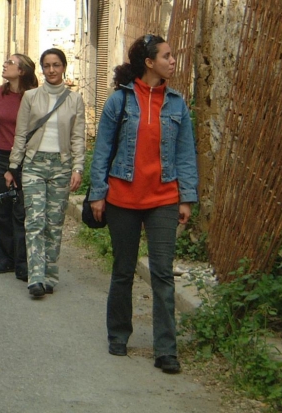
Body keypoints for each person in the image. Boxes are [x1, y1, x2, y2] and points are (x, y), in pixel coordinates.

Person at [88, 34, 198, 374]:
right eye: (166, 56)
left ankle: (166, 350)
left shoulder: (178, 103)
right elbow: (103, 149)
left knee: (162, 273)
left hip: (163, 198)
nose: (172, 60)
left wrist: (187, 197)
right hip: (123, 197)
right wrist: (97, 193)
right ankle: (118, 334)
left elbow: (185, 154)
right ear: (149, 63)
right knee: (123, 269)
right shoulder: (119, 101)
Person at [6, 48, 85, 299]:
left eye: (56, 65)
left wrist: (78, 168)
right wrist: (13, 166)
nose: (51, 70)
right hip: (34, 165)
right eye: (47, 65)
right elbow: (20, 134)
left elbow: (78, 137)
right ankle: (36, 277)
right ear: (41, 68)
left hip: (61, 166)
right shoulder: (30, 97)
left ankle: (50, 275)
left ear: (63, 67)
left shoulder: (74, 100)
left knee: (54, 223)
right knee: (35, 221)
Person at [0, 54, 38, 280]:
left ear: (22, 71)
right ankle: (4, 260)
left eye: (10, 63)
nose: (4, 65)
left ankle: (23, 261)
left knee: (21, 211)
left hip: (24, 158)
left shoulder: (33, 97)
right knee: (2, 210)